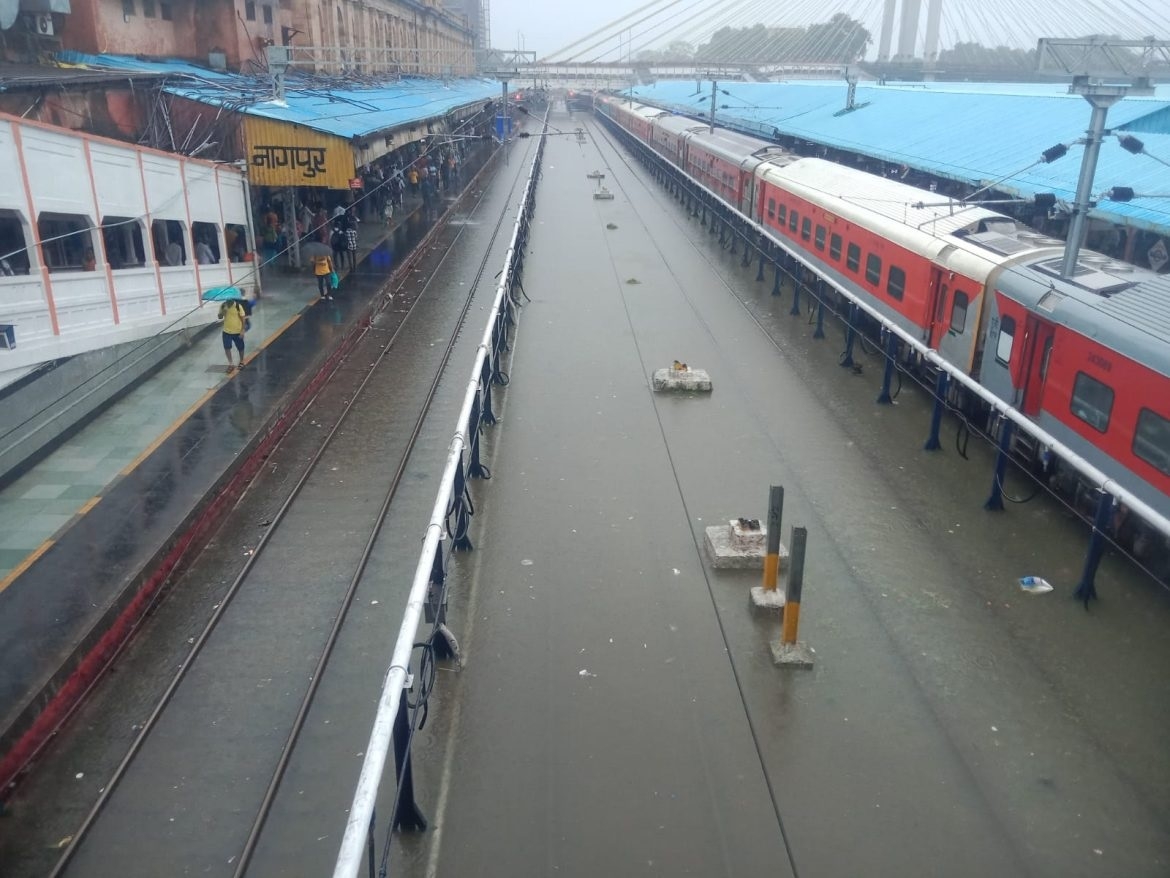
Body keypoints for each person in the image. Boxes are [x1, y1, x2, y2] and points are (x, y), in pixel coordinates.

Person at [218, 298, 247, 372]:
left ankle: (241, 362)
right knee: (227, 347)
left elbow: (243, 319)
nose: (228, 300)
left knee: (240, 347)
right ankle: (231, 364)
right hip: (226, 331)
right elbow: (219, 317)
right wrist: (222, 312)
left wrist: (242, 330)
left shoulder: (238, 306)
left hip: (237, 331)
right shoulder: (223, 305)